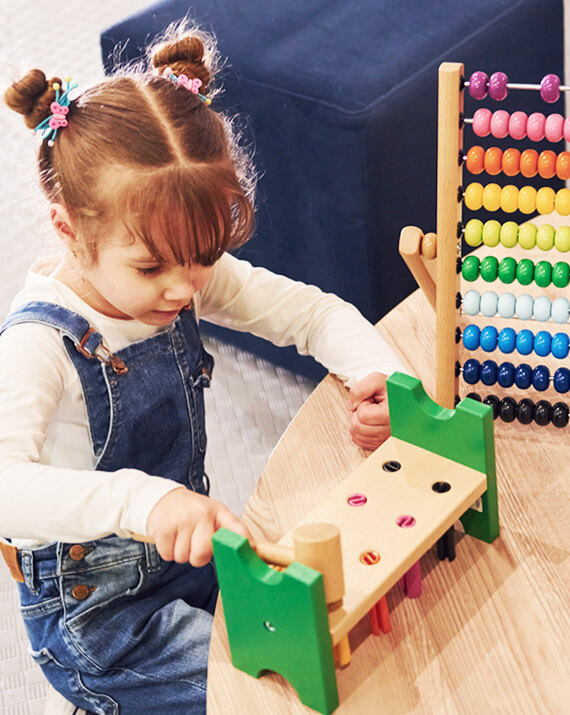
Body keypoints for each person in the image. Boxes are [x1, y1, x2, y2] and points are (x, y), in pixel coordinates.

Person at [0, 22, 405, 715]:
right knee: (273, 697)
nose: (183, 288)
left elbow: (312, 314)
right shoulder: (39, 342)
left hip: (191, 565)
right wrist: (144, 501)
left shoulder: (180, 274)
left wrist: (379, 374)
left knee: (332, 638)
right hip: (98, 622)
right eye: (151, 266)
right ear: (69, 229)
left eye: (203, 255)